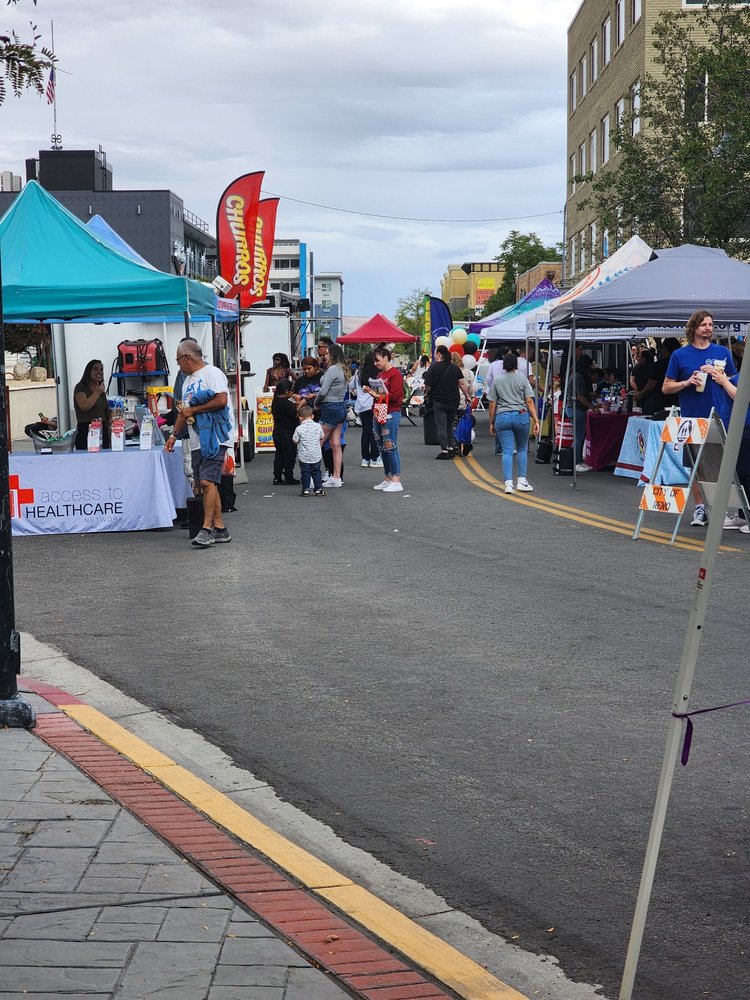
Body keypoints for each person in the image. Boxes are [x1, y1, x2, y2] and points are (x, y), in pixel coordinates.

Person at [663, 309, 737, 527]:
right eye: (704, 324)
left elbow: (734, 381)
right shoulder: (680, 355)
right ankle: (700, 508)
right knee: (696, 466)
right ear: (694, 328)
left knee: (719, 465)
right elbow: (666, 387)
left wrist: (720, 376)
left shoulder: (722, 352)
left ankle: (718, 508)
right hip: (692, 417)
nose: (708, 328)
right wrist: (687, 382)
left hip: (720, 416)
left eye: (711, 325)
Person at [165, 340, 234, 547]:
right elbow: (183, 412)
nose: (178, 365)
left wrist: (194, 410)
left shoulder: (212, 373)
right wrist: (173, 435)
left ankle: (206, 529)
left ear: (186, 357)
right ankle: (220, 528)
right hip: (196, 439)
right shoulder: (187, 381)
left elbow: (221, 400)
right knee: (206, 485)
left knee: (206, 481)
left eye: (178, 360)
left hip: (214, 437)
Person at [705, 363, 750, 533]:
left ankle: (747, 515)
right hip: (735, 426)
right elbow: (738, 383)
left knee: (745, 473)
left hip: (745, 426)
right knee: (739, 473)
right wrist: (722, 377)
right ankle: (743, 514)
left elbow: (744, 396)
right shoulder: (744, 371)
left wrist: (724, 381)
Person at [488, 352, 540, 494]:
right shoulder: (523, 379)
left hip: (502, 416)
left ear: (504, 365)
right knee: (522, 449)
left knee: (507, 451)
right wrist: (536, 419)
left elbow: (492, 403)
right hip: (520, 415)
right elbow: (529, 400)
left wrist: (491, 422)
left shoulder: (497, 380)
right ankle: (521, 481)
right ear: (516, 365)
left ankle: (508, 483)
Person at [363, 346, 405, 492]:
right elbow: (382, 394)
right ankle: (388, 477)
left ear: (386, 358)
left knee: (390, 445)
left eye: (377, 360)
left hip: (391, 412)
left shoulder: (395, 374)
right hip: (379, 409)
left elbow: (396, 396)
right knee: (381, 446)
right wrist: (371, 391)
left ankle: (396, 479)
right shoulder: (381, 374)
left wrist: (376, 395)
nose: (375, 363)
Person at [423, 344, 472, 459]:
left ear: (439, 354)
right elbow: (462, 383)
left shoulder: (433, 368)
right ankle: (451, 448)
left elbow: (428, 386)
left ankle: (444, 451)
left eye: (435, 353)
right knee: (449, 426)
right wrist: (467, 396)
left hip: (439, 401)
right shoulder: (454, 368)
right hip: (453, 401)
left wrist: (427, 394)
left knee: (441, 426)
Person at [316, 343, 349, 488]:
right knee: (335, 443)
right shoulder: (343, 369)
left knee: (317, 441)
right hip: (340, 407)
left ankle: (313, 476)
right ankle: (336, 477)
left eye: (327, 354)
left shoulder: (333, 369)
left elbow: (323, 391)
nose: (325, 356)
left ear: (333, 355)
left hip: (329, 406)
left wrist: (316, 402)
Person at [565, 354, 595, 472]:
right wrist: (592, 407)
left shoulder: (574, 375)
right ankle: (576, 461)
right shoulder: (579, 377)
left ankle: (575, 459)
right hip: (577, 408)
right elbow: (580, 396)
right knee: (579, 436)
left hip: (573, 408)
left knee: (578, 436)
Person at [73, 359, 111, 450]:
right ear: (88, 371)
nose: (99, 372)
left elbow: (104, 411)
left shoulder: (100, 389)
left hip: (102, 430)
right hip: (86, 430)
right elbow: (84, 406)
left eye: (101, 370)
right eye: (95, 369)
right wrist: (97, 393)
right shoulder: (80, 387)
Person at [350, 358, 380, 467]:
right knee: (374, 431)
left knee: (365, 431)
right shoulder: (377, 373)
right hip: (373, 403)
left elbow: (351, 386)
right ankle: (374, 458)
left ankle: (365, 458)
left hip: (361, 405)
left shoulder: (359, 373)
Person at [271, 379, 300, 485]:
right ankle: (288, 476)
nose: (292, 392)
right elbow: (294, 414)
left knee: (279, 455)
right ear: (286, 391)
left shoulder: (275, 402)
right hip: (288, 433)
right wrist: (300, 405)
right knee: (289, 455)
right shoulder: (286, 403)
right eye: (291, 390)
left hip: (277, 432)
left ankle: (277, 477)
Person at [293, 404, 325, 496]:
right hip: (316, 454)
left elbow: (295, 440)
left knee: (305, 472)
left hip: (304, 455)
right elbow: (322, 436)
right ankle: (318, 489)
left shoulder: (299, 428)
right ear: (312, 416)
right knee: (316, 472)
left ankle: (305, 490)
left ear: (300, 418)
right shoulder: (318, 426)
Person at [643, 338, 680, 415]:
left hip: (661, 401)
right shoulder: (683, 364)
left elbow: (651, 385)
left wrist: (640, 394)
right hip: (679, 400)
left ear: (666, 349)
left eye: (663, 349)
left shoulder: (659, 365)